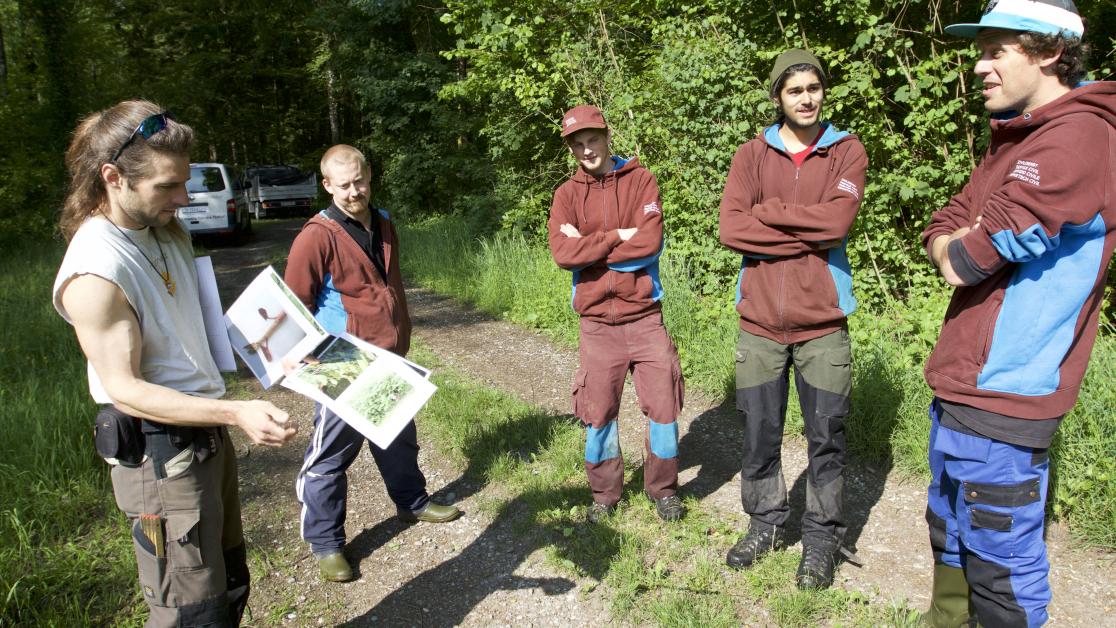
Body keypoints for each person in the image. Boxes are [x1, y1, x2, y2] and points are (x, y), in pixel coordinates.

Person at [53, 100, 297, 626]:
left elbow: (190, 330)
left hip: (204, 435)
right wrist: (236, 413)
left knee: (229, 580)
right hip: (161, 455)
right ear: (113, 177)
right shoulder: (96, 270)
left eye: (184, 182)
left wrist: (283, 346)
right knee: (190, 608)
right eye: (168, 186)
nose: (184, 198)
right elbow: (126, 390)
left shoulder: (165, 231)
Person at [921, 2, 1115, 625]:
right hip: (962, 387)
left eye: (996, 50)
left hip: (1007, 396)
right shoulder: (1017, 136)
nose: (979, 66)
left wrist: (965, 239)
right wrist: (962, 236)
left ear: (1050, 51)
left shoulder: (1080, 137)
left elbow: (964, 260)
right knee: (948, 537)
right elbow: (943, 226)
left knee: (1001, 571)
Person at [718, 49, 867, 589]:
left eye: (814, 88)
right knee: (760, 431)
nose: (807, 98)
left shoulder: (846, 152)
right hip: (758, 322)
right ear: (778, 97)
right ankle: (765, 522)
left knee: (826, 435)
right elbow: (732, 229)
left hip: (822, 322)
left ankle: (822, 537)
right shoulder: (750, 155)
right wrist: (803, 228)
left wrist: (770, 213)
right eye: (794, 90)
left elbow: (836, 223)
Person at [285, 144, 461, 583]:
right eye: (342, 185)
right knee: (329, 457)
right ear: (327, 185)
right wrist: (311, 361)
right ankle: (327, 544)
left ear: (369, 177)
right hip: (343, 362)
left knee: (397, 438)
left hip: (388, 356)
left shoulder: (383, 222)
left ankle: (412, 503)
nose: (353, 191)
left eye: (359, 181)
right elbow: (293, 305)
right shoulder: (316, 235)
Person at [547, 104, 686, 524]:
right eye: (578, 144)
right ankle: (605, 495)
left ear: (607, 137)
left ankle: (662, 489)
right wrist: (614, 236)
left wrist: (590, 245)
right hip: (596, 325)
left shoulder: (641, 180)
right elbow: (562, 253)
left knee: (664, 407)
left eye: (592, 140)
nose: (587, 150)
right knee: (598, 412)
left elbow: (649, 244)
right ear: (571, 149)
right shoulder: (566, 195)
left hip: (644, 317)